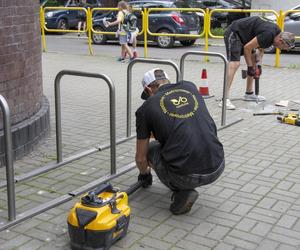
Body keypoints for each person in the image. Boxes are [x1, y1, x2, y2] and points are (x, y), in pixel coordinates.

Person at [135, 68, 225, 215]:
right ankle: (184, 181)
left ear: (148, 89)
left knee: (151, 149)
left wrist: (144, 174)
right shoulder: (189, 86)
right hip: (218, 164)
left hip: (188, 175)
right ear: (168, 81)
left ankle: (182, 191)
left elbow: (140, 158)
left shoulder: (146, 108)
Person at [221, 16, 295, 110]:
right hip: (234, 33)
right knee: (234, 64)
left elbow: (260, 49)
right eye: (284, 47)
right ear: (280, 41)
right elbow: (247, 48)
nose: (282, 50)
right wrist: (250, 67)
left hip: (246, 37)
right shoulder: (269, 34)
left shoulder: (275, 34)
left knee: (254, 63)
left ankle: (249, 93)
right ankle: (224, 99)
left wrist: (258, 66)